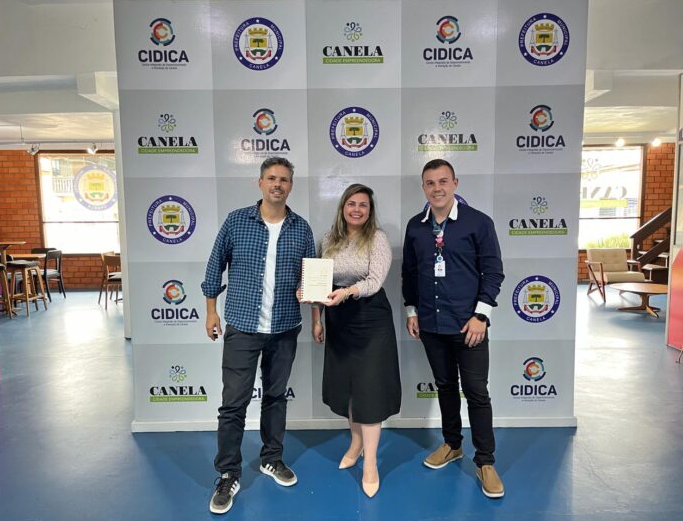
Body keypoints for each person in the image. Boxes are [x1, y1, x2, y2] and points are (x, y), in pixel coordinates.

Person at [202, 156, 315, 515]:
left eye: (284, 179)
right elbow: (214, 266)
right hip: (242, 326)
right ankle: (227, 473)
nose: (277, 184)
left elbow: (310, 277)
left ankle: (271, 459)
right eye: (271, 178)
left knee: (276, 397)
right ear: (260, 183)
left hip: (284, 327)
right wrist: (210, 311)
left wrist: (313, 305)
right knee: (233, 404)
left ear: (291, 185)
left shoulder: (301, 228)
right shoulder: (237, 221)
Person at [401, 159, 505, 498]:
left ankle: (485, 462)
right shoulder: (416, 226)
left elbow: (493, 271)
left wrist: (481, 316)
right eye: (430, 183)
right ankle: (452, 444)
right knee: (445, 386)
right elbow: (409, 273)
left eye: (443, 181)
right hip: (431, 324)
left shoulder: (478, 222)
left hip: (468, 325)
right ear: (423, 188)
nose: (437, 188)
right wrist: (412, 310)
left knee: (476, 392)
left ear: (455, 183)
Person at [310, 183, 401, 498]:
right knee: (348, 386)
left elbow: (374, 281)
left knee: (370, 390)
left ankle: (371, 463)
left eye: (363, 205)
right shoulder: (328, 239)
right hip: (338, 319)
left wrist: (347, 291)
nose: (357, 210)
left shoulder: (378, 239)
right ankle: (356, 443)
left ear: (370, 210)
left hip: (371, 318)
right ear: (343, 207)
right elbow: (320, 282)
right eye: (352, 204)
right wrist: (317, 318)